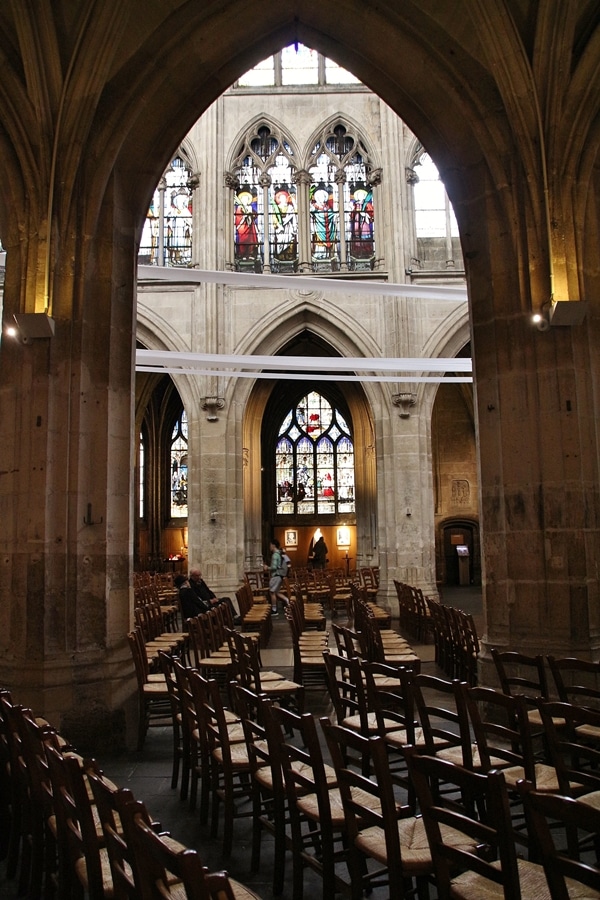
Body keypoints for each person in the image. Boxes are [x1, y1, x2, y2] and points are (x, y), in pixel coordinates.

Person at [264, 538, 290, 615]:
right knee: (276, 592)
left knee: (272, 592)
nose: (269, 547)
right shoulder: (280, 553)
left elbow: (274, 567)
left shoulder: (275, 555)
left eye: (270, 545)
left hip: (276, 575)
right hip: (280, 575)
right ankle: (287, 600)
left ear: (273, 545)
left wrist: (267, 567)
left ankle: (274, 609)